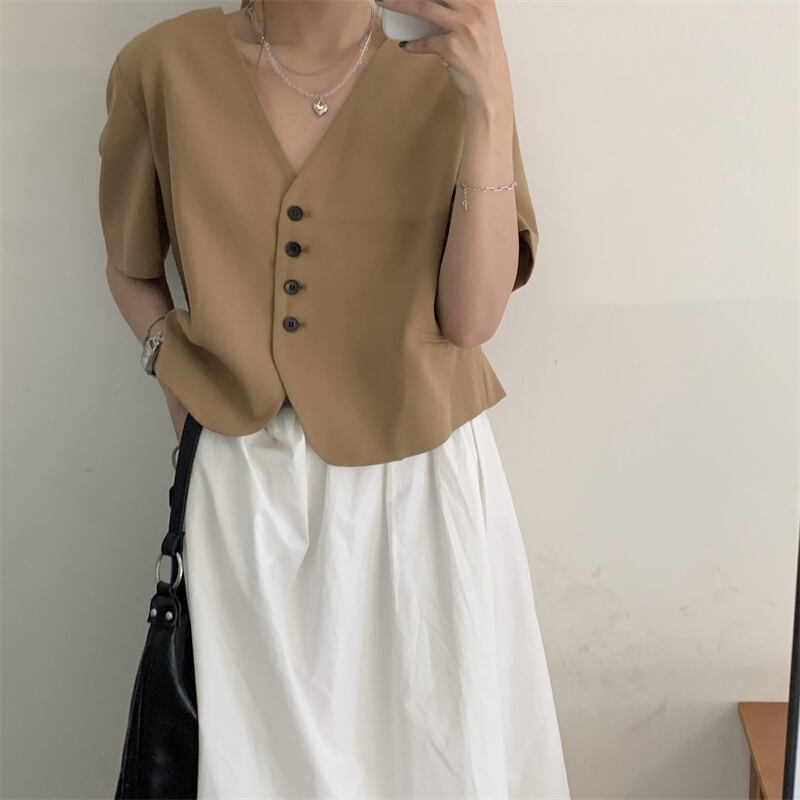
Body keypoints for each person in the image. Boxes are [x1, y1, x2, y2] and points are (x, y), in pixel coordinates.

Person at [98, 0, 571, 796]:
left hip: (422, 492)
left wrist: (490, 102)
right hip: (243, 501)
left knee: (435, 762)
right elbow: (130, 265)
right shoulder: (160, 67)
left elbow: (472, 319)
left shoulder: (454, 66)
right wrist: (174, 374)